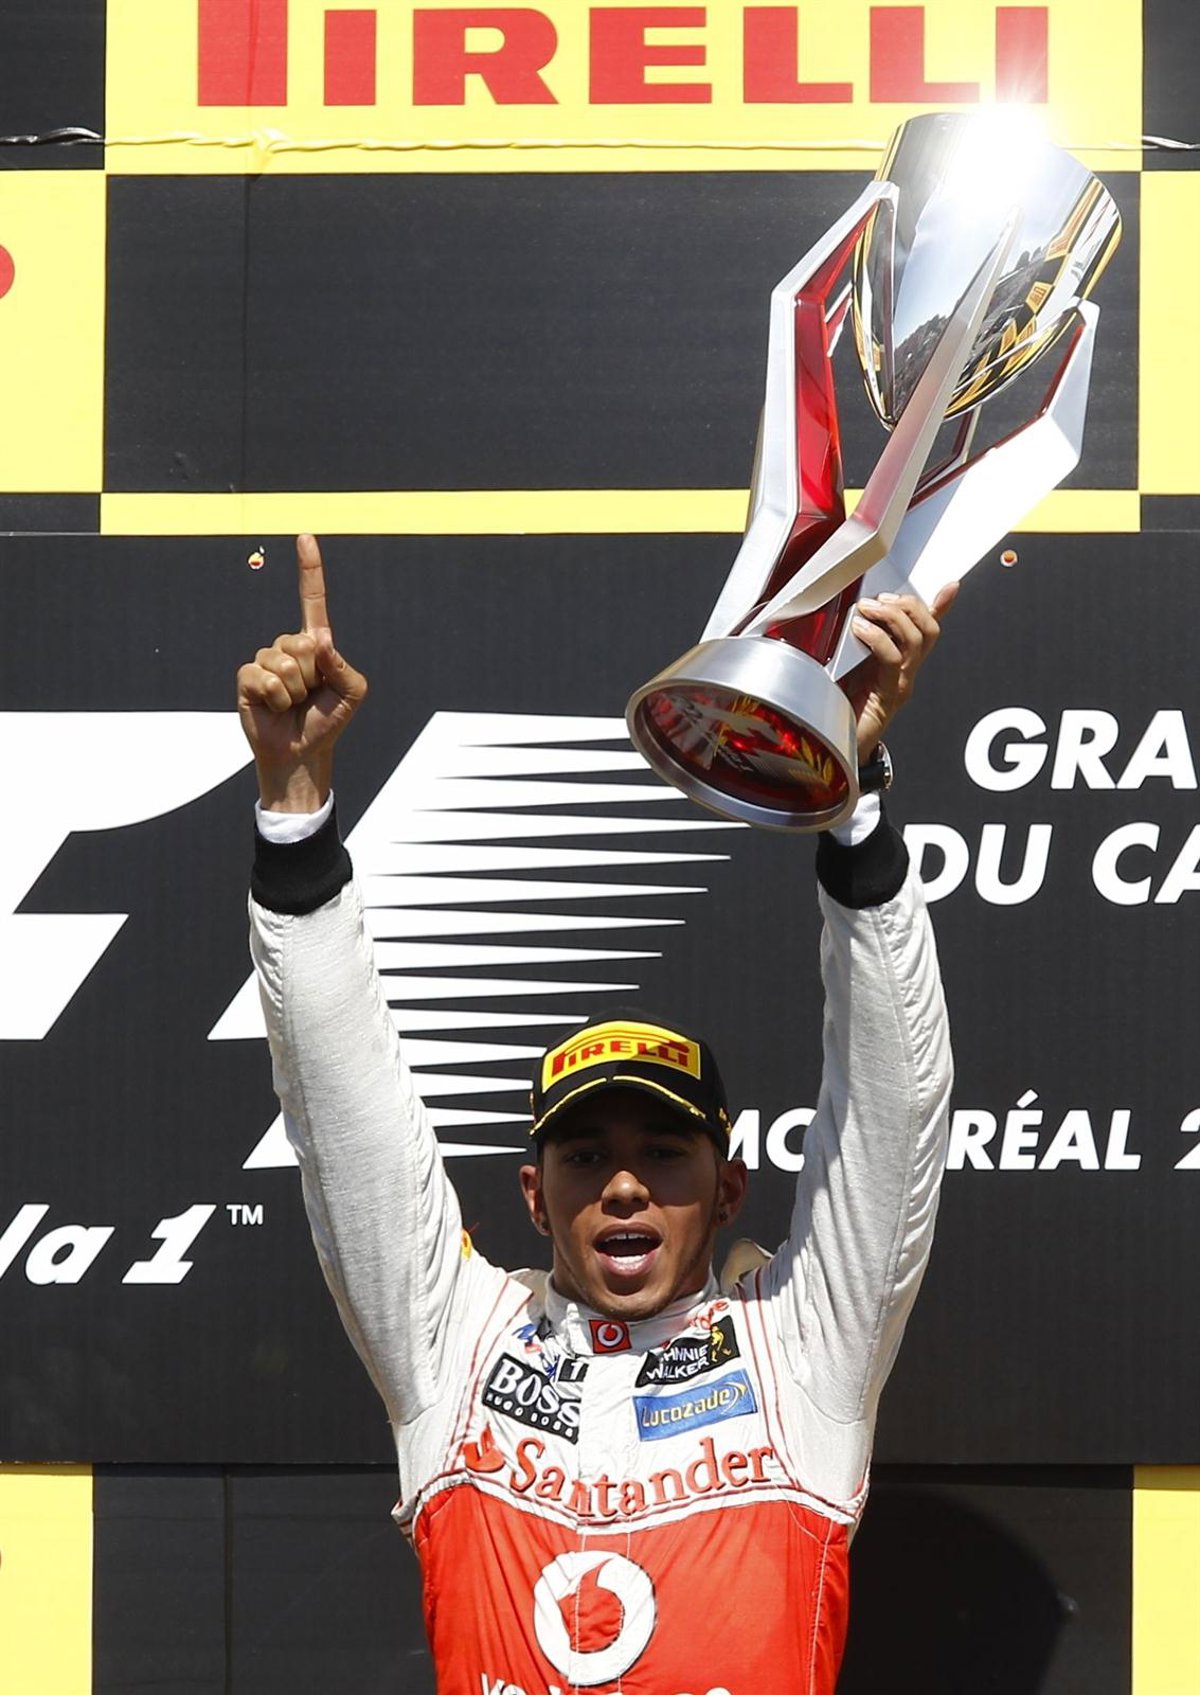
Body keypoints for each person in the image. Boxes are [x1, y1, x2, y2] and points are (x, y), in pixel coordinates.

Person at [237, 534, 955, 1695]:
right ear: (535, 1195)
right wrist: (295, 814)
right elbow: (343, 1113)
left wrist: (854, 800)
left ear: (728, 1189)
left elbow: (896, 1113)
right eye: (585, 1157)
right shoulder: (458, 1346)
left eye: (664, 1153)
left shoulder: (799, 1347)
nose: (623, 1185)